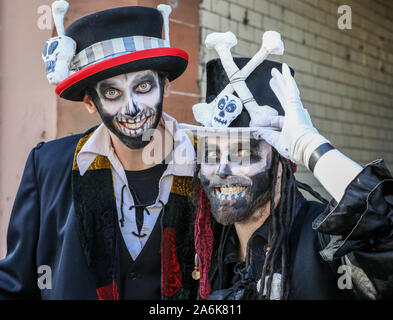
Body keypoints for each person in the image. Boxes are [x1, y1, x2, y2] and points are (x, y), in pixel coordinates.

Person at [0, 4, 197, 300]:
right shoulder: (48, 166)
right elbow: (14, 285)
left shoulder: (210, 164)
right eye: (112, 92)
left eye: (143, 85)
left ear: (165, 85)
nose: (132, 108)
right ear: (91, 103)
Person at [185, 56, 393, 300]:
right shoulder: (207, 246)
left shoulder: (328, 241)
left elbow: (385, 231)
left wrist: (310, 145)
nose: (222, 169)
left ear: (281, 164)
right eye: (211, 154)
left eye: (242, 154)